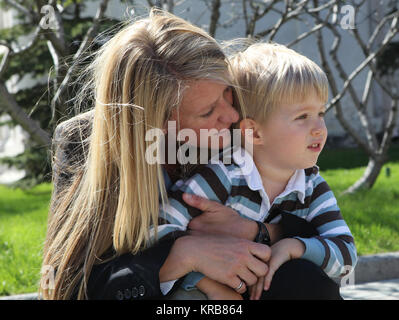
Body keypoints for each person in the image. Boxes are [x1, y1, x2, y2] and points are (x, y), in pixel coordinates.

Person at [40, 9, 343, 300]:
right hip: (171, 290)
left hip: (249, 275)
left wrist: (259, 231)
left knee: (307, 281)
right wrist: (182, 255)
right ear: (156, 123)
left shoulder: (242, 126)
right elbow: (65, 282)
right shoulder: (82, 140)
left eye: (228, 92)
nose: (232, 114)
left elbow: (320, 225)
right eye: (208, 111)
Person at [151, 42, 357, 300]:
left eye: (321, 113)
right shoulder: (223, 177)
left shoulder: (311, 186)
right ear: (254, 132)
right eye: (302, 117)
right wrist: (201, 280)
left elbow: (347, 255)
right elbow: (158, 230)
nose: (319, 128)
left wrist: (295, 247)